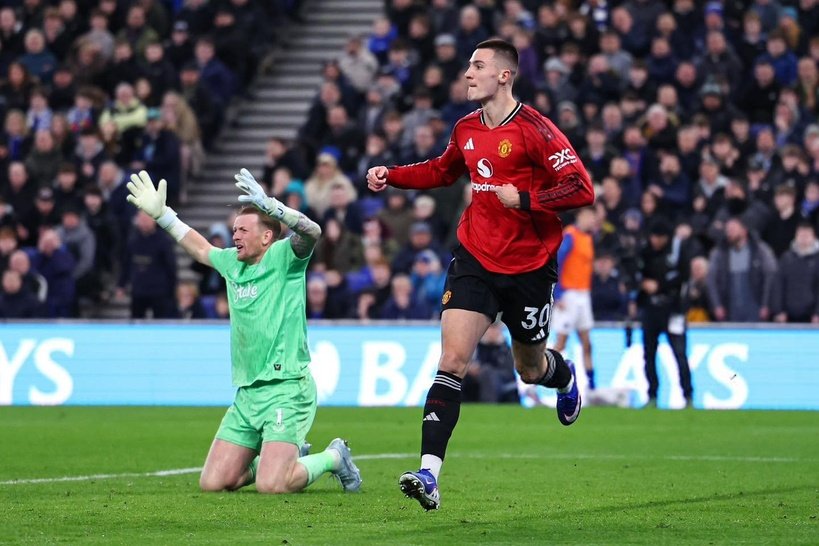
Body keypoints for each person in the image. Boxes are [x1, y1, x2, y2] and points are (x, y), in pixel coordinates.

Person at [366, 39, 593, 511]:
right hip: (475, 258)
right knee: (452, 361)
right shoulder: (466, 127)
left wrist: (527, 200)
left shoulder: (536, 130)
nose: (468, 73)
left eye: (478, 66)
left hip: (529, 267)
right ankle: (429, 474)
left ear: (504, 76)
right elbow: (443, 170)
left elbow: (582, 188)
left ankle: (564, 374)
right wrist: (394, 174)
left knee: (529, 369)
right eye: (469, 66)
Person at [125, 169, 361, 495]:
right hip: (247, 395)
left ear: (267, 237)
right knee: (213, 483)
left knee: (272, 485)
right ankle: (281, 457)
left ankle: (334, 457)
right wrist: (163, 216)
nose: (235, 235)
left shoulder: (285, 257)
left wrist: (275, 208)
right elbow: (199, 248)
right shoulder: (232, 264)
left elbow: (312, 231)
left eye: (243, 230)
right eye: (234, 229)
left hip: (287, 388)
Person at [635, 219, 693, 408]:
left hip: (673, 308)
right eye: (653, 237)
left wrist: (659, 286)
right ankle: (652, 395)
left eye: (659, 238)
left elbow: (684, 276)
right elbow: (635, 273)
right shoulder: (645, 250)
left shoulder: (677, 249)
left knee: (679, 353)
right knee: (648, 354)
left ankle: (688, 395)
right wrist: (643, 285)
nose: (655, 241)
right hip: (651, 309)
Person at [551, 207, 598, 390]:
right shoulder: (570, 236)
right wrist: (558, 293)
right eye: (588, 216)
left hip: (583, 295)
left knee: (587, 342)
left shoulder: (587, 238)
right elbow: (558, 261)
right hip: (568, 294)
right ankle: (543, 374)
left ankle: (592, 384)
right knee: (561, 341)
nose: (591, 220)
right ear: (580, 217)